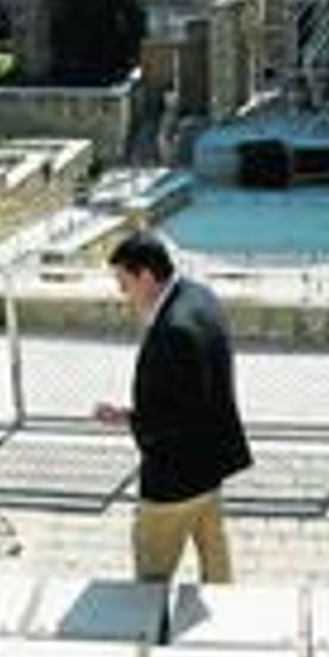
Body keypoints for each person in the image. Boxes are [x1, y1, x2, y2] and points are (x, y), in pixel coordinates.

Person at [93, 231, 253, 583]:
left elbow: (172, 421)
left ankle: (150, 636)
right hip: (211, 466)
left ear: (146, 276)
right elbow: (194, 394)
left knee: (151, 576)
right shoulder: (200, 296)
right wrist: (131, 415)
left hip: (175, 480)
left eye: (124, 282)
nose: (123, 293)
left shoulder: (173, 330)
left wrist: (135, 421)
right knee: (216, 566)